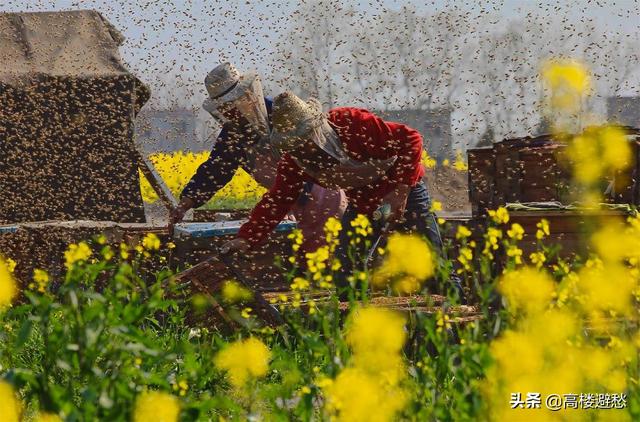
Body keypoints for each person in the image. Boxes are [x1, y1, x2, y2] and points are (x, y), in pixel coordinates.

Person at [221, 91, 463, 299]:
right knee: (345, 268)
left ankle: (458, 319)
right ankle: (355, 326)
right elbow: (277, 201)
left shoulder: (352, 123)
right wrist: (247, 237)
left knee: (433, 261)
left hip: (404, 189)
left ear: (315, 128)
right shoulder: (295, 161)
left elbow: (411, 139)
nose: (303, 147)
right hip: (362, 205)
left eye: (305, 139)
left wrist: (400, 194)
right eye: (295, 143)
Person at [170, 63, 346, 252]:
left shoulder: (283, 113)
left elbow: (311, 160)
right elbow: (216, 169)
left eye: (232, 103)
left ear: (247, 96)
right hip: (284, 203)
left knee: (330, 261)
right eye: (224, 107)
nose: (230, 111)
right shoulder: (234, 134)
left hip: (323, 197)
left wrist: (284, 206)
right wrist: (186, 203)